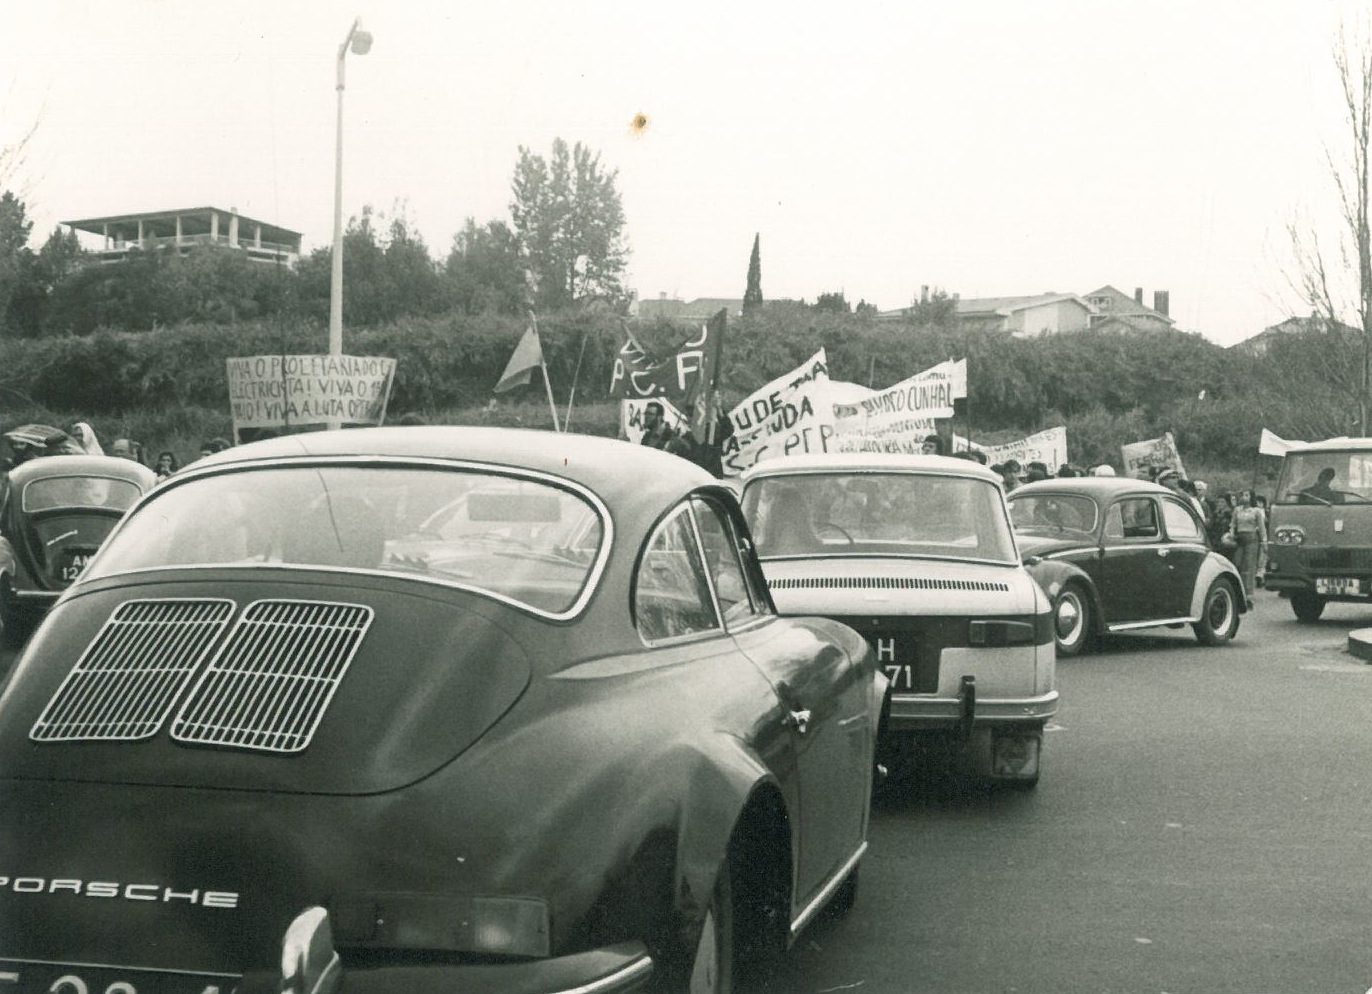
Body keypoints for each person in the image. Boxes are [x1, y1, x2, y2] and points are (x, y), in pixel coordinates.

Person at [1226, 489, 1267, 608]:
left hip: (1252, 539)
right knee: (1237, 564)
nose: (1244, 497)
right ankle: (1239, 592)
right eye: (1243, 495)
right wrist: (1231, 533)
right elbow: (1232, 524)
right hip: (1239, 539)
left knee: (1249, 566)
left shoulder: (1256, 511)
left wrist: (1264, 542)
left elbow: (1261, 527)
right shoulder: (1237, 510)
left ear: (1251, 497)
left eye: (1247, 495)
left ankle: (1249, 595)